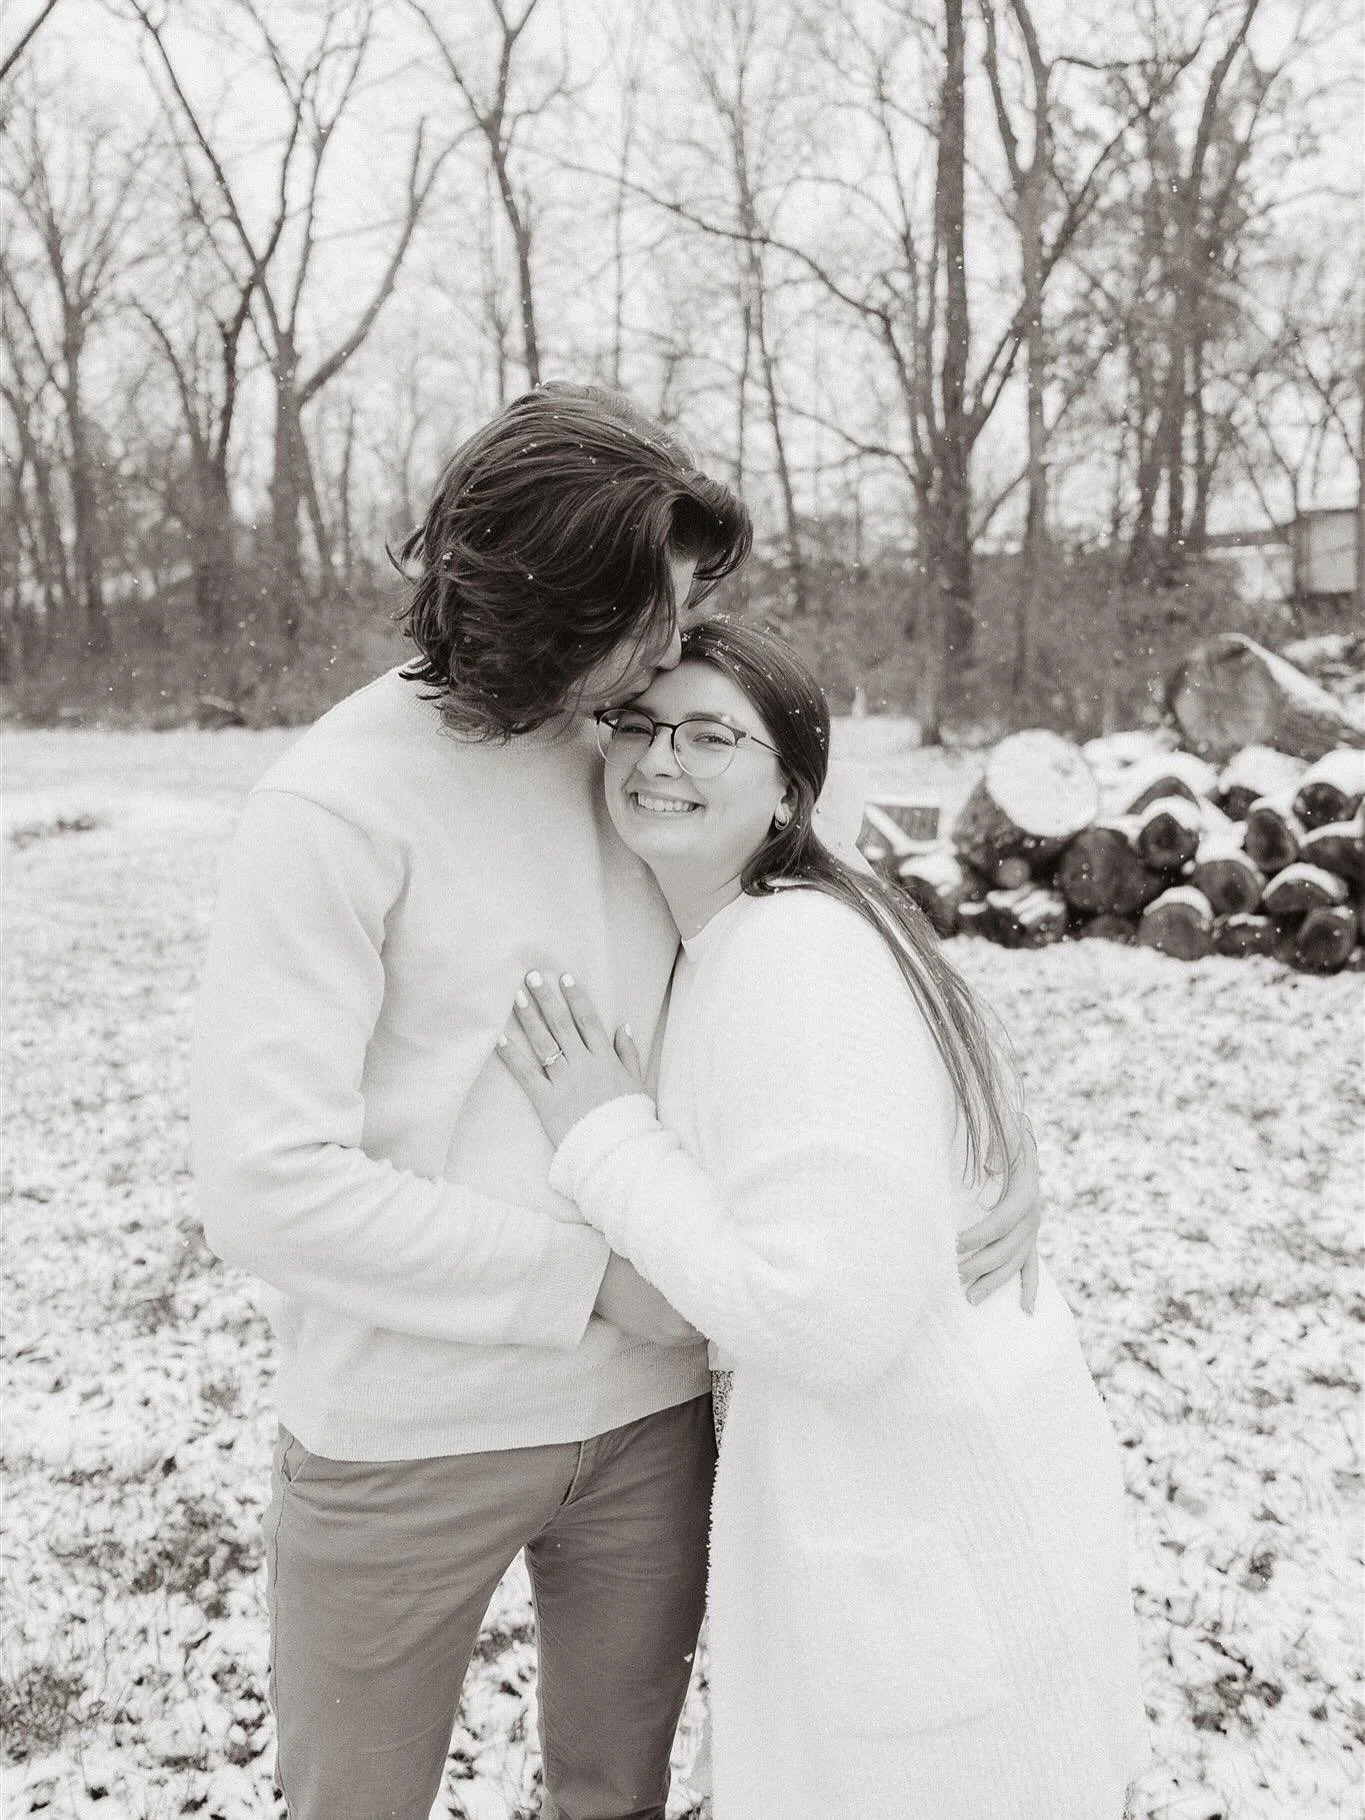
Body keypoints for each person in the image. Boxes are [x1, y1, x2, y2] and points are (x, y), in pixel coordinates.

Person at [190, 383, 1042, 1820]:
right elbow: (266, 1186)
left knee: (616, 1798)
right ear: (530, 607)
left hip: (651, 1424)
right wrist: (595, 1283)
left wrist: (987, 1135)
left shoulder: (637, 753)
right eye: (640, 616)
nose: (670, 648)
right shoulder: (330, 813)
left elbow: (815, 917)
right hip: (403, 1436)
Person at [497, 618, 1149, 1820]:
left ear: (790, 788)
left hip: (936, 1538)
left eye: (708, 734)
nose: (657, 758)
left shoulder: (794, 950)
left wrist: (605, 1136)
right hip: (932, 1522)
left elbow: (829, 1314)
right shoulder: (760, 924)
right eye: (637, 725)